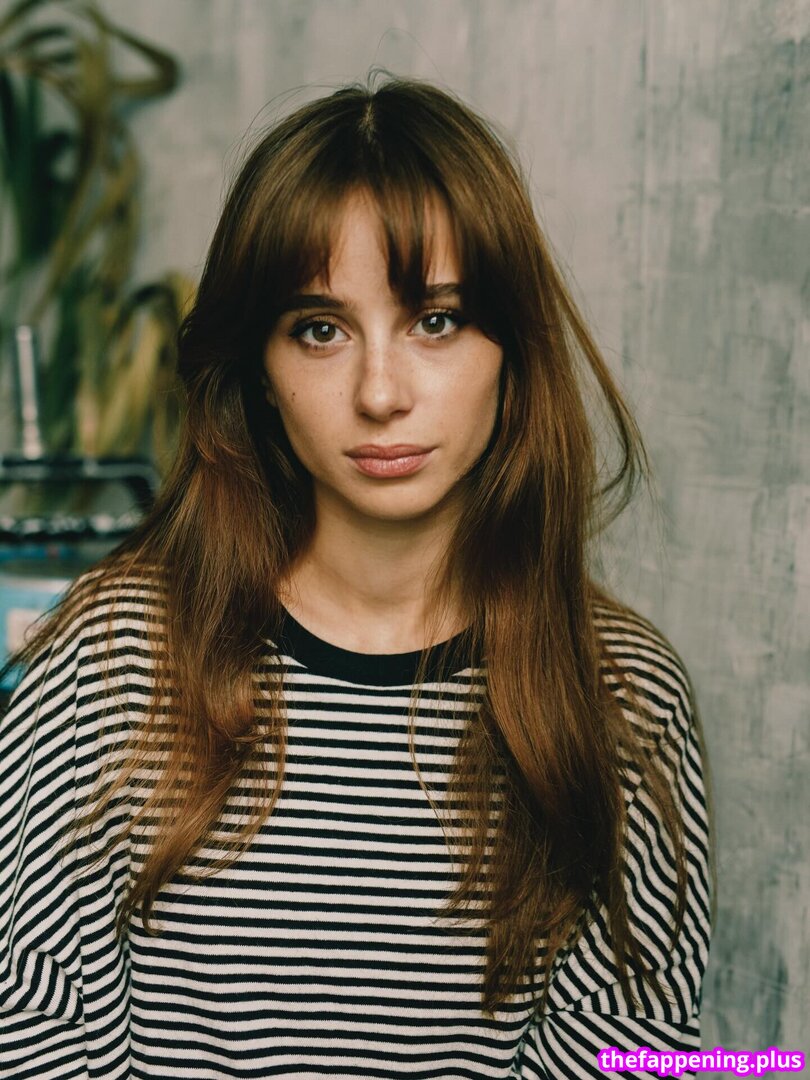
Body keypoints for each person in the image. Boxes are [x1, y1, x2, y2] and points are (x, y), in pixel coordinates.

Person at [0, 73, 712, 1079]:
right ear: (260, 369)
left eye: (437, 321)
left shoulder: (622, 697)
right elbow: (30, 1031)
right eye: (320, 329)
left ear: (512, 351)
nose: (381, 392)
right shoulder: (111, 659)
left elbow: (628, 1056)